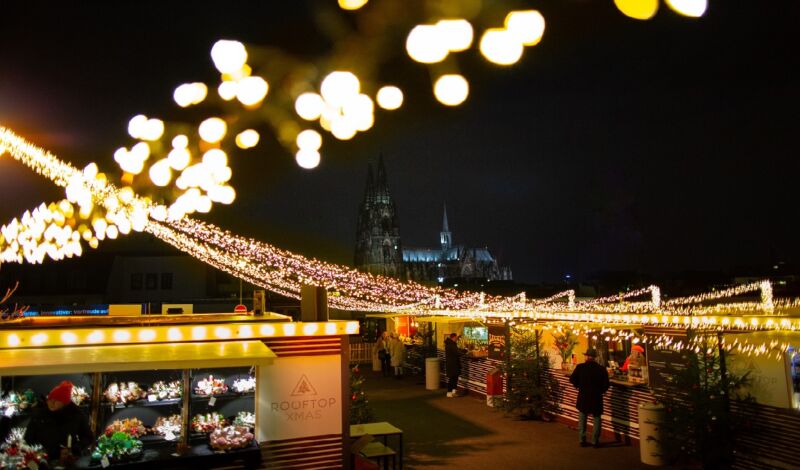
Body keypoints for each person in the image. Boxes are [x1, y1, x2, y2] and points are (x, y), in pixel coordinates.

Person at [24, 380, 94, 465]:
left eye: (56, 400)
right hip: (42, 459)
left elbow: (88, 437)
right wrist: (38, 453)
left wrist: (74, 449)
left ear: (64, 403)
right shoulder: (40, 414)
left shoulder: (76, 414)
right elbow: (29, 438)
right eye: (50, 399)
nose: (52, 403)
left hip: (67, 461)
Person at [569, 348, 610, 448]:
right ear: (595, 357)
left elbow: (572, 379)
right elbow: (606, 385)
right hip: (596, 397)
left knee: (582, 417)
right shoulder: (601, 369)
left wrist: (578, 385)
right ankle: (594, 441)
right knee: (597, 418)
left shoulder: (580, 367)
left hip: (583, 395)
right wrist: (601, 391)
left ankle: (582, 440)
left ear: (587, 356)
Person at [444, 333, 462, 397]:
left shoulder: (449, 344)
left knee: (454, 378)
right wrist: (464, 352)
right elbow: (457, 353)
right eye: (456, 337)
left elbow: (456, 351)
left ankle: (453, 392)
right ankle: (449, 392)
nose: (457, 339)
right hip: (453, 364)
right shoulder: (451, 344)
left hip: (452, 364)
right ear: (453, 337)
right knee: (452, 378)